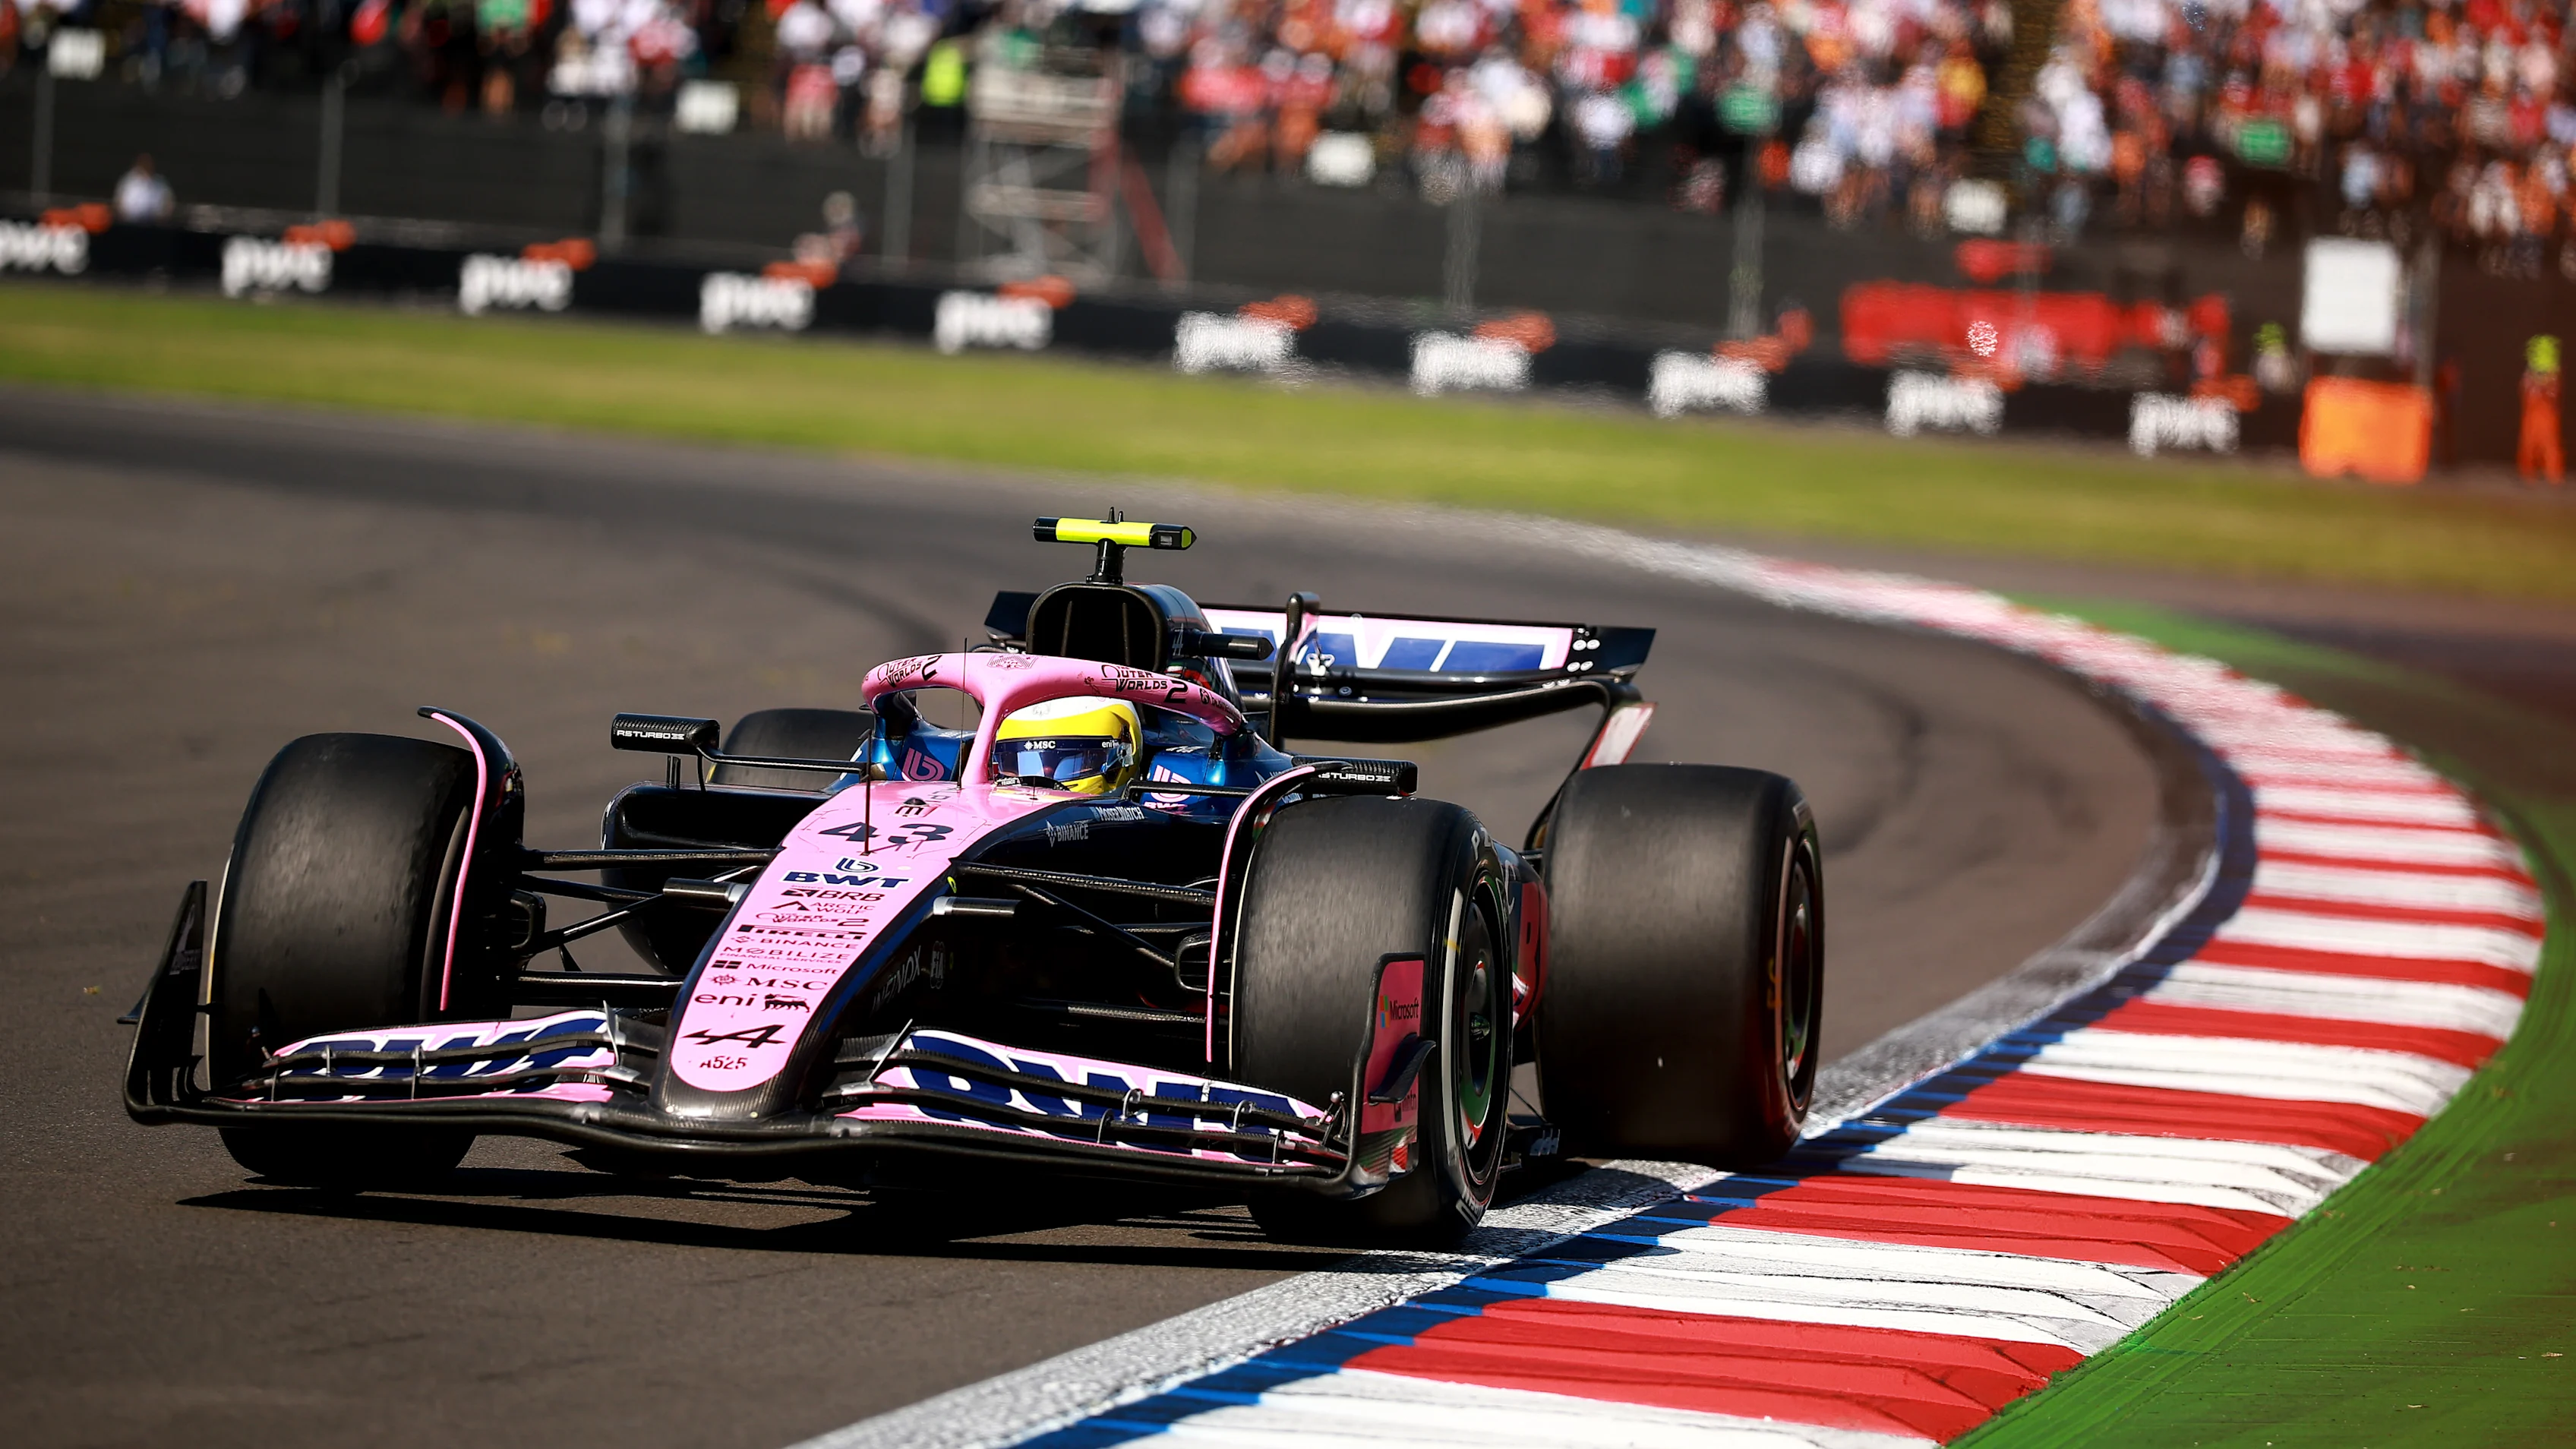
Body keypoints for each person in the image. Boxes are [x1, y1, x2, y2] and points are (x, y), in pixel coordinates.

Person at [2520, 335, 2563, 486]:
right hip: (2531, 419)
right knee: (2529, 446)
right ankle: (2528, 476)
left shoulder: (2553, 378)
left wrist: (2546, 381)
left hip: (2547, 419)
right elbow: (2526, 392)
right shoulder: (2529, 378)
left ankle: (2554, 477)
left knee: (2550, 447)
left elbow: (2553, 393)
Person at [113, 154, 175, 224]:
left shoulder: (160, 183)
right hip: (130, 224)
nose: (146, 167)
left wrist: (163, 217)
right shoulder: (127, 182)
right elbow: (118, 202)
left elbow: (169, 204)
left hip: (154, 225)